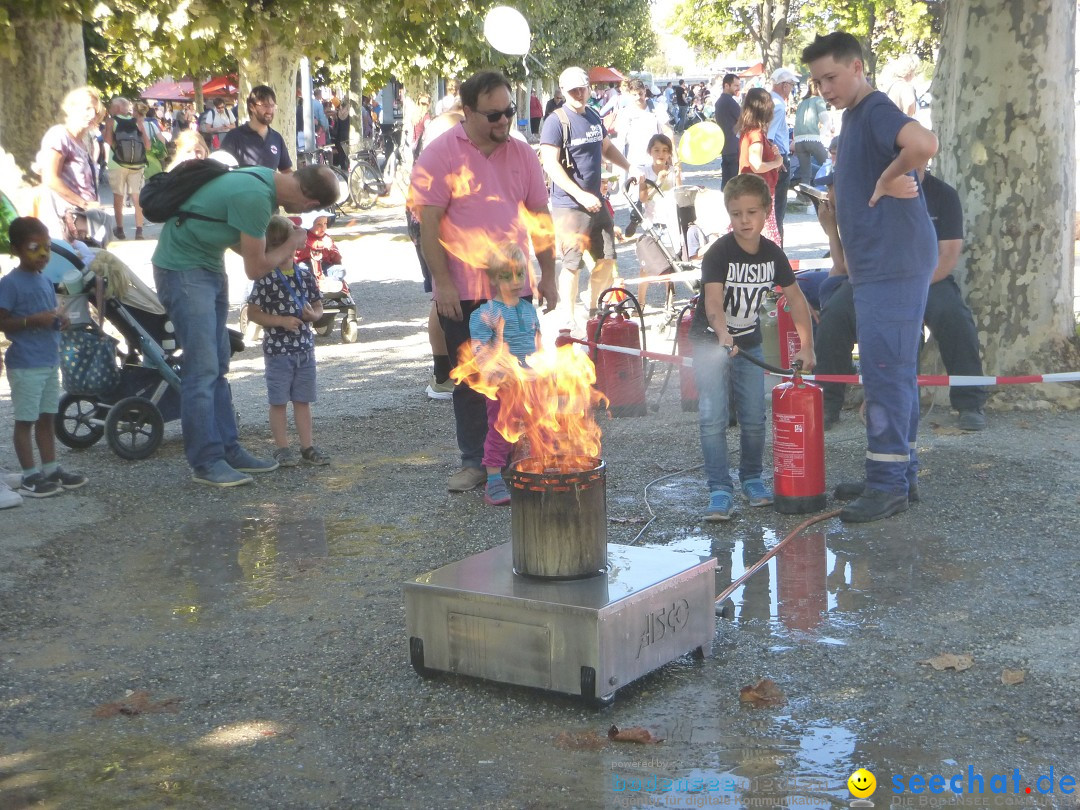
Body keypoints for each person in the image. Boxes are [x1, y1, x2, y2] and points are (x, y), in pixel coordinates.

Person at [803, 31, 939, 523]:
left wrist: (888, 178)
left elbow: (924, 144)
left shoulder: (877, 108)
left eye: (831, 77)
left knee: (883, 373)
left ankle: (887, 485)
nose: (824, 89)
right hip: (881, 264)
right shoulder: (857, 116)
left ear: (857, 67)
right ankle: (900, 474)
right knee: (893, 370)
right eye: (817, 81)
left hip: (893, 264)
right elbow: (912, 161)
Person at [410, 70, 557, 493]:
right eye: (493, 115)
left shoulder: (522, 154)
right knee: (472, 381)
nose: (504, 122)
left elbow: (541, 219)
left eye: (508, 112)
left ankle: (514, 456)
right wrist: (444, 284)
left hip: (514, 287)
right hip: (464, 290)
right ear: (468, 111)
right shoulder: (438, 154)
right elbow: (429, 226)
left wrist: (548, 275)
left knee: (519, 375)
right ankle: (476, 461)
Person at [151, 164, 339, 486]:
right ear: (309, 201)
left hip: (206, 266)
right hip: (183, 270)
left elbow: (244, 246)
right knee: (202, 369)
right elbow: (255, 269)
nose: (307, 214)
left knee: (218, 364)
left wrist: (278, 251)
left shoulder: (262, 181)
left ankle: (228, 449)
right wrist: (291, 244)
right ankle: (206, 462)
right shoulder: (255, 196)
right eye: (313, 209)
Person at [813, 166, 988, 432]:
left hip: (929, 279)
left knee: (955, 317)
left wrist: (911, 285)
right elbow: (853, 258)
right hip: (876, 279)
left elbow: (948, 257)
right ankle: (827, 402)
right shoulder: (870, 191)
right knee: (835, 315)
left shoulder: (943, 194)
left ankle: (970, 402)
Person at [689, 174, 815, 521]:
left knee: (755, 418)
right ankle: (719, 488)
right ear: (728, 215)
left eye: (751, 212)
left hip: (749, 342)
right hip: (709, 341)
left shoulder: (773, 254)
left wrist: (807, 346)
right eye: (736, 214)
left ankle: (752, 479)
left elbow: (796, 299)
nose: (744, 220)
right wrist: (723, 332)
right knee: (712, 417)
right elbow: (713, 303)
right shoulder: (718, 253)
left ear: (765, 213)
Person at [0, 217, 88, 498]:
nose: (43, 255)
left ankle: (50, 469)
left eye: (47, 248)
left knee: (47, 417)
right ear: (16, 249)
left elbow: (48, 313)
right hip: (26, 364)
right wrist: (32, 321)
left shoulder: (44, 280)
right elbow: (3, 322)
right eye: (34, 248)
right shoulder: (10, 283)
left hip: (49, 361)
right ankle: (29, 476)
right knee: (26, 420)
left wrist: (57, 320)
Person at [539, 66, 632, 330]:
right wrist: (579, 193)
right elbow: (550, 164)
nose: (579, 94)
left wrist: (629, 167)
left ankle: (593, 310)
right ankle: (567, 317)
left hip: (596, 201)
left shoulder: (592, 114)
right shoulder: (556, 121)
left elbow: (607, 148)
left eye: (582, 88)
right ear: (563, 91)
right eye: (573, 90)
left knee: (606, 256)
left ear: (589, 87)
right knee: (572, 263)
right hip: (569, 206)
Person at [244, 215, 329, 468]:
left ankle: (307, 446)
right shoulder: (266, 277)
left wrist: (313, 316)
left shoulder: (304, 274)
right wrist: (281, 321)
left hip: (304, 349)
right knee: (279, 401)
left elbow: (318, 306)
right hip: (279, 352)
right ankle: (282, 448)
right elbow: (253, 312)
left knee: (303, 400)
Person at [468, 244, 541, 506]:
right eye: (507, 276)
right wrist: (497, 372)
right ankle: (494, 480)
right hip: (502, 383)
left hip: (531, 379)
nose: (516, 282)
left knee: (537, 423)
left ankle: (530, 466)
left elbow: (537, 341)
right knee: (501, 429)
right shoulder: (485, 314)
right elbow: (480, 352)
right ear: (493, 279)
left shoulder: (528, 309)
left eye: (520, 274)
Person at [407, 107, 466, 401]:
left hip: (436, 220)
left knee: (445, 293)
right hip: (431, 222)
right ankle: (443, 374)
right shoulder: (447, 134)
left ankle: (448, 372)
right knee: (441, 294)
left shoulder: (451, 125)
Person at [36, 86, 110, 244]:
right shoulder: (59, 135)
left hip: (85, 220)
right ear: (72, 108)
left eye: (96, 111)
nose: (91, 115)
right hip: (66, 222)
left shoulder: (84, 142)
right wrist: (84, 204)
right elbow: (50, 178)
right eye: (87, 108)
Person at [634, 134, 681, 306]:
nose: (661, 154)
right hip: (652, 224)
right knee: (646, 265)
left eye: (665, 150)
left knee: (671, 263)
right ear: (650, 152)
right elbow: (643, 198)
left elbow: (679, 192)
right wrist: (659, 182)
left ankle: (669, 302)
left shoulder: (673, 171)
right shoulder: (645, 172)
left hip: (670, 222)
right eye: (657, 150)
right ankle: (641, 302)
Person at [737, 88, 784, 245]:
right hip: (758, 192)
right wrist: (776, 162)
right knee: (767, 239)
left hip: (747, 189)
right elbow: (756, 164)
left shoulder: (748, 132)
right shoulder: (756, 134)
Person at [103, 96, 151, 241]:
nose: (110, 108)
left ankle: (121, 230)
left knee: (118, 196)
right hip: (137, 164)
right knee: (136, 197)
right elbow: (147, 146)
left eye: (112, 106)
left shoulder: (111, 121)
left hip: (117, 164)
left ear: (117, 108)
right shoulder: (137, 122)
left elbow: (109, 141)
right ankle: (139, 231)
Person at [219, 85, 293, 173]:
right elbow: (222, 172)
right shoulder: (233, 137)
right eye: (265, 106)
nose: (270, 111)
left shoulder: (277, 138)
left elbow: (286, 171)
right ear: (252, 107)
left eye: (272, 106)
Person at [767, 67, 797, 242]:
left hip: (777, 157)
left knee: (774, 208)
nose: (792, 89)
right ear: (784, 85)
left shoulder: (770, 101)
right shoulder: (778, 105)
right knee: (778, 209)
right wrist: (777, 159)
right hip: (779, 158)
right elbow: (770, 137)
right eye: (791, 85)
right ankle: (777, 245)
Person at [793, 79, 829, 184]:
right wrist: (821, 136)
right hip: (813, 139)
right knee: (829, 166)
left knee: (805, 175)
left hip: (798, 141)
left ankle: (805, 199)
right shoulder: (818, 100)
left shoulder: (801, 103)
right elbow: (826, 121)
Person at [297, 214, 345, 283]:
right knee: (302, 268)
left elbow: (337, 259)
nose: (323, 227)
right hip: (309, 267)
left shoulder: (327, 238)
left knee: (340, 270)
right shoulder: (303, 238)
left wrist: (332, 250)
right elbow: (296, 256)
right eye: (319, 224)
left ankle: (331, 283)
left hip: (325, 267)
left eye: (325, 223)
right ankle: (312, 283)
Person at [713, 73, 741, 189]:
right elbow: (744, 119)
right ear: (726, 85)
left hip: (725, 147)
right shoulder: (729, 102)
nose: (738, 88)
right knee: (734, 184)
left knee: (727, 183)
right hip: (733, 147)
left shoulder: (719, 101)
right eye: (735, 85)